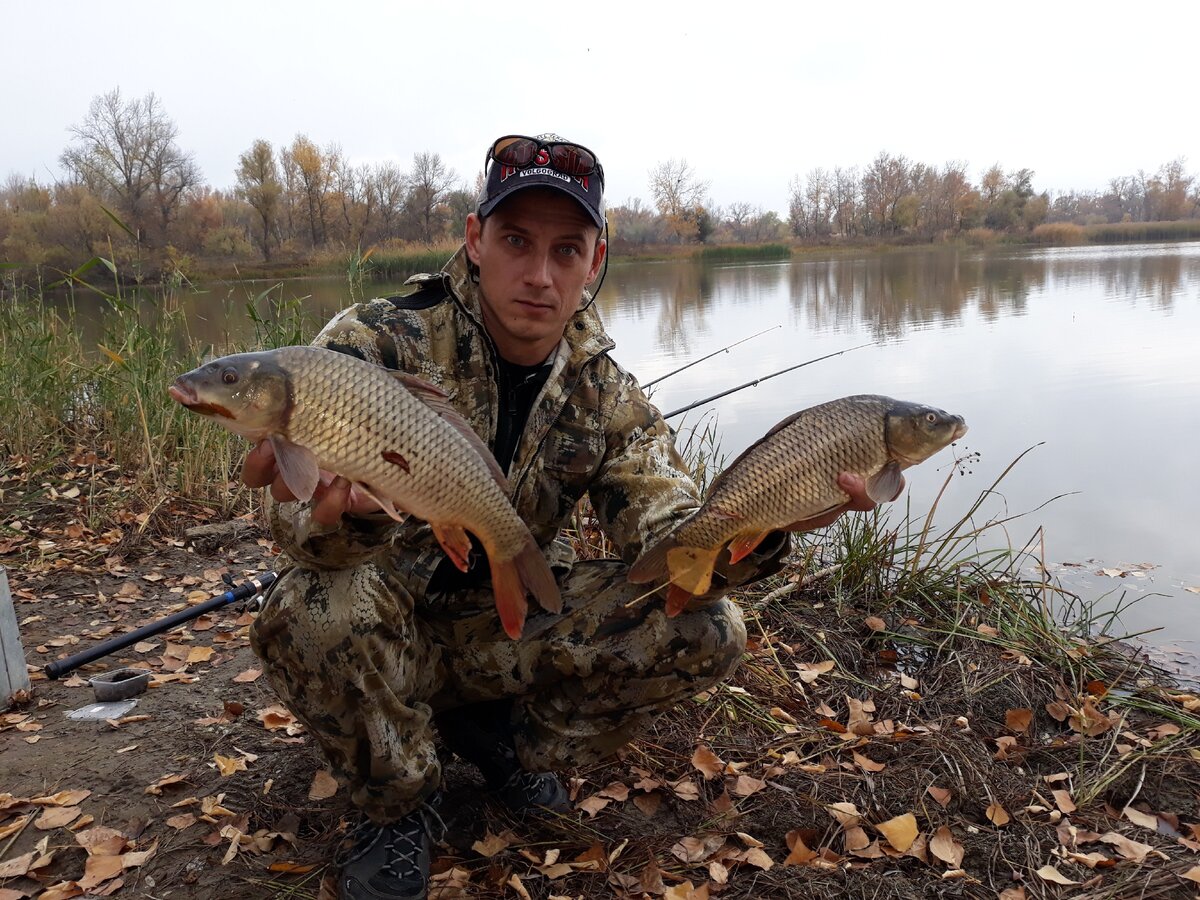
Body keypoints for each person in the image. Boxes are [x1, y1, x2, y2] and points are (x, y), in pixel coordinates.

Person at [242, 133, 894, 900]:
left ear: (596, 258)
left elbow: (669, 533)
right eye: (517, 241)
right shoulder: (374, 343)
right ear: (475, 239)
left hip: (507, 628)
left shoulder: (606, 390)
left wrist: (773, 516)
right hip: (390, 626)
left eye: (567, 249)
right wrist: (344, 515)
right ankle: (394, 806)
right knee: (313, 608)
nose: (540, 276)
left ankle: (504, 743)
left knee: (707, 628)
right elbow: (292, 534)